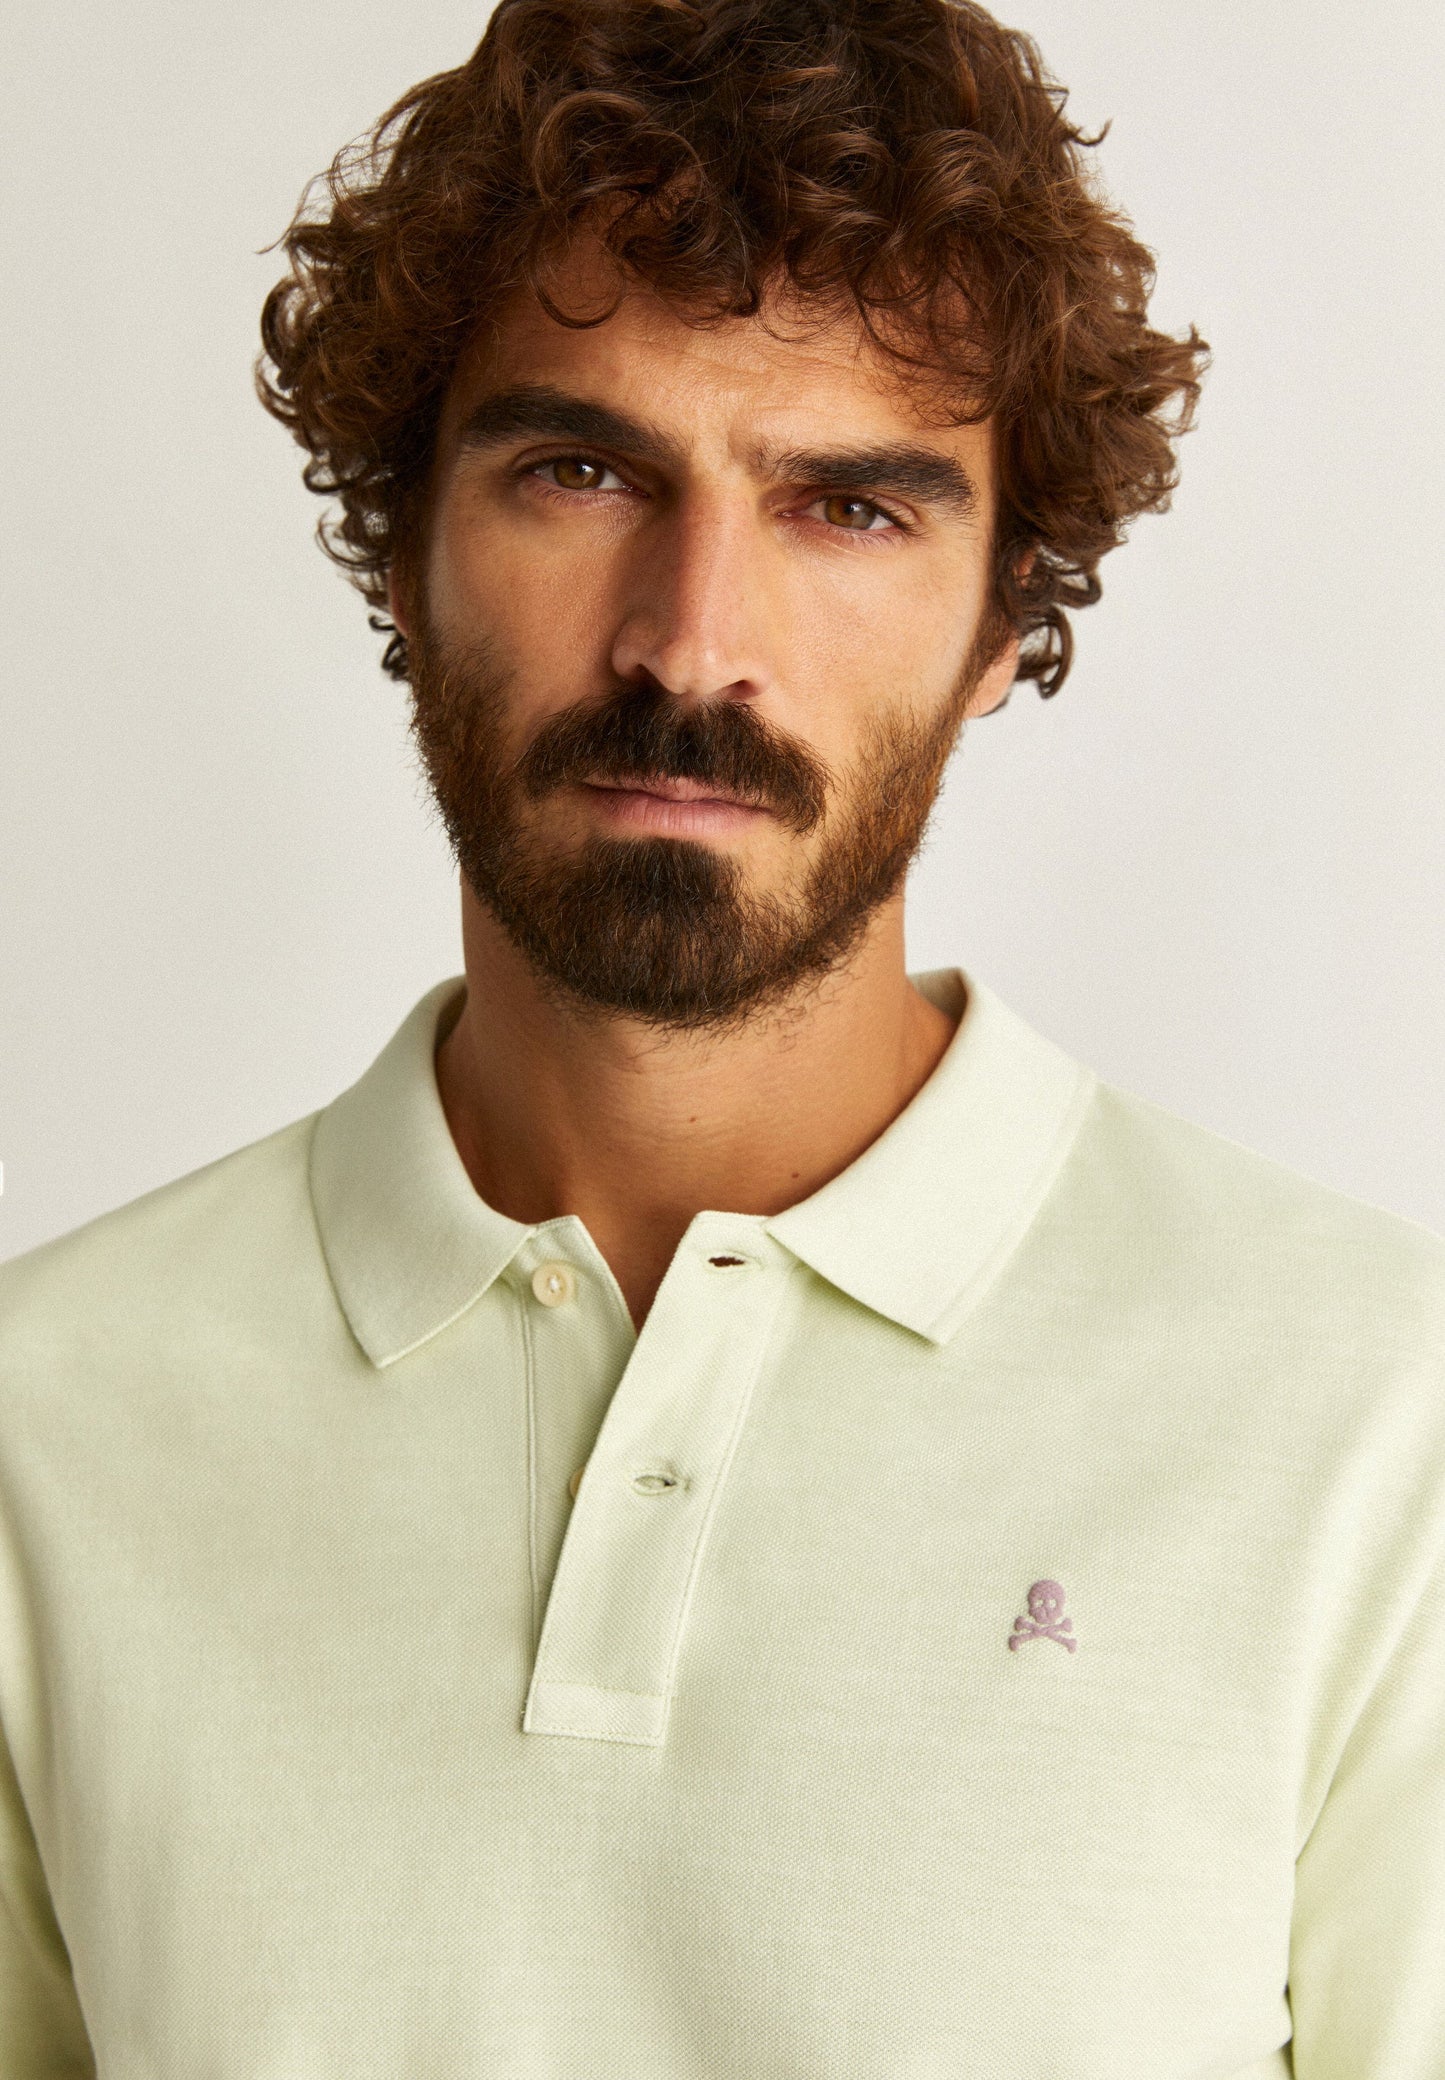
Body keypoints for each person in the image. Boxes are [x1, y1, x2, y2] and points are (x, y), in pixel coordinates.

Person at [1, 0, 1440, 2071]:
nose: (691, 642)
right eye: (581, 471)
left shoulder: (1382, 1426)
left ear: (1002, 617)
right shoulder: (42, 1428)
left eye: (848, 508)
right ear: (402, 545)